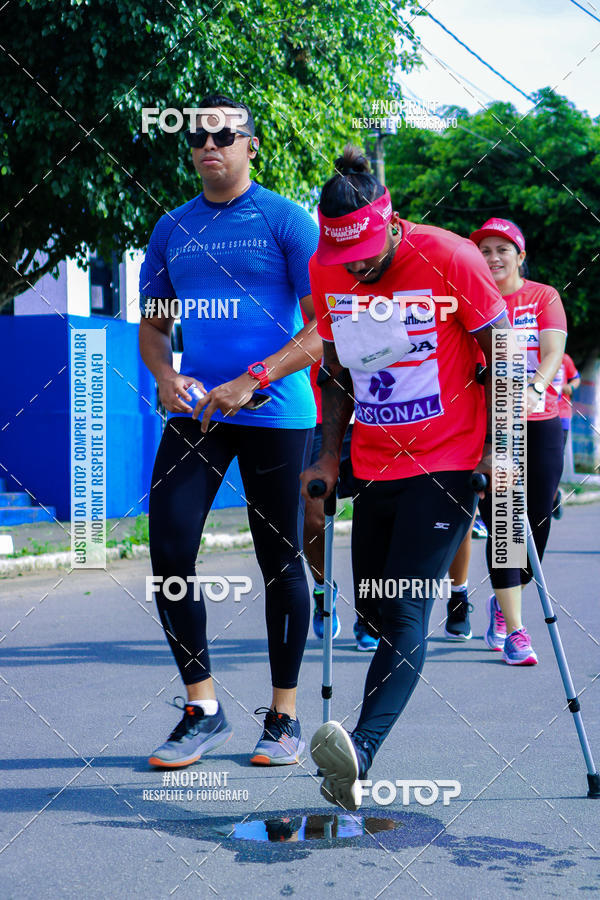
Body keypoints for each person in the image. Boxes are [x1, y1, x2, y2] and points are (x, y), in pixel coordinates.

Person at [301, 146, 509, 810]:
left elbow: (500, 349)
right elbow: (334, 371)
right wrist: (331, 458)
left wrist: (500, 449)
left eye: (365, 250)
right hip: (376, 459)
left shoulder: (450, 257)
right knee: (374, 608)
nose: (356, 266)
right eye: (344, 256)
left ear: (389, 220)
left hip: (448, 458)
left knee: (406, 608)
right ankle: (358, 747)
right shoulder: (328, 267)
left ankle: (359, 751)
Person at [138, 94, 322, 768]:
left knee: (279, 558)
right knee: (170, 550)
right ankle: (203, 708)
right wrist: (163, 376)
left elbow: (319, 331)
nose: (210, 143)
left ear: (250, 146)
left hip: (275, 412)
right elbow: (156, 327)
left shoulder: (286, 220)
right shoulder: (171, 229)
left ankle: (283, 717)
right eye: (198, 135)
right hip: (198, 413)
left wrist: (256, 377)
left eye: (225, 133)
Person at [470, 218, 567, 666]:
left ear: (520, 255)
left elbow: (551, 352)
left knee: (538, 519)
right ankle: (517, 630)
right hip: (492, 426)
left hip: (540, 418)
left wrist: (535, 388)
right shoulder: (471, 299)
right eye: (484, 250)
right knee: (505, 521)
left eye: (501, 249)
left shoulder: (542, 296)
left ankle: (505, 601)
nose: (492, 258)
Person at [303, 358, 379, 651]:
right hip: (320, 411)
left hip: (374, 411)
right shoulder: (310, 308)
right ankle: (323, 587)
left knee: (373, 518)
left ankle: (369, 616)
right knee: (312, 514)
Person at [552, 352, 580, 519]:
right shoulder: (529, 355)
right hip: (535, 413)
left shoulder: (564, 358)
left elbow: (576, 378)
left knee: (555, 458)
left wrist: (570, 387)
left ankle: (554, 496)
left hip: (561, 415)